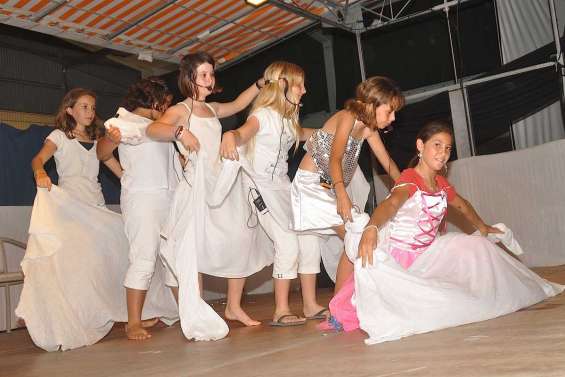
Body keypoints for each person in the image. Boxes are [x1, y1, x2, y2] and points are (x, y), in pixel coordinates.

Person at [325, 120, 564, 344]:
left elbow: (462, 205)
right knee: (434, 304)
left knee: (477, 245)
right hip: (402, 259)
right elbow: (391, 204)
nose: (443, 153)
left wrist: (483, 227)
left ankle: (497, 294)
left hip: (430, 254)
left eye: (448, 148)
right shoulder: (410, 179)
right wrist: (372, 228)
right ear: (420, 146)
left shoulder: (440, 184)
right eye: (437, 145)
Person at [16, 88, 177, 351]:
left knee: (125, 252)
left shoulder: (99, 139)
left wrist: (138, 179)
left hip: (96, 206)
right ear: (69, 110)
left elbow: (120, 170)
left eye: (92, 107)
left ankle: (130, 314)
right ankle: (75, 316)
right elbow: (38, 160)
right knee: (77, 265)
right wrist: (40, 174)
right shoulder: (58, 136)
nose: (90, 112)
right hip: (70, 208)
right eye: (84, 107)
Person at [145, 52, 273, 335]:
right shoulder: (182, 110)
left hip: (221, 183)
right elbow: (154, 129)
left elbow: (239, 103)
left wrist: (261, 83)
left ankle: (234, 306)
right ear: (190, 78)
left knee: (241, 236)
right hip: (196, 186)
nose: (209, 79)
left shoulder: (213, 109)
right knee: (194, 247)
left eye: (211, 74)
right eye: (203, 74)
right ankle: (197, 307)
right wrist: (179, 132)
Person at [220, 61, 325, 326]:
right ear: (282, 85)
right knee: (287, 242)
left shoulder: (288, 119)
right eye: (299, 84)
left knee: (309, 236)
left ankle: (311, 304)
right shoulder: (263, 114)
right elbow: (242, 133)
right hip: (260, 186)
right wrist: (230, 136)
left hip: (282, 186)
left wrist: (331, 134)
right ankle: (281, 309)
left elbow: (298, 134)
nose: (304, 90)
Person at [290, 76, 404, 292]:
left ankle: (343, 298)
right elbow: (334, 158)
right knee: (358, 234)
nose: (393, 118)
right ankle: (346, 301)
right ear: (372, 105)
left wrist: (408, 189)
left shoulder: (369, 129)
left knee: (353, 238)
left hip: (329, 187)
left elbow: (387, 163)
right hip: (311, 185)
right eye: (389, 111)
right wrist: (342, 196)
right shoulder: (348, 117)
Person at [97, 78, 181, 341]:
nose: (167, 108)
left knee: (176, 259)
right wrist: (112, 145)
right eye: (164, 103)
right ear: (153, 101)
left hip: (171, 197)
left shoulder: (160, 126)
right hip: (143, 199)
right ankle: (132, 322)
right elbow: (102, 153)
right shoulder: (121, 122)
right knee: (143, 258)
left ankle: (188, 311)